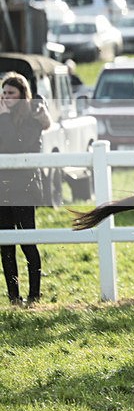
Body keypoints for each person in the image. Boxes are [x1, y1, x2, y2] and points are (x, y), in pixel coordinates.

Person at [0, 72, 51, 305]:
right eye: (3, 93)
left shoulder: (33, 120)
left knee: (27, 242)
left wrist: (5, 117)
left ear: (22, 95)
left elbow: (15, 144)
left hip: (24, 188)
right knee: (6, 245)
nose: (6, 97)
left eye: (11, 93)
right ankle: (13, 296)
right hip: (3, 188)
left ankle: (34, 295)